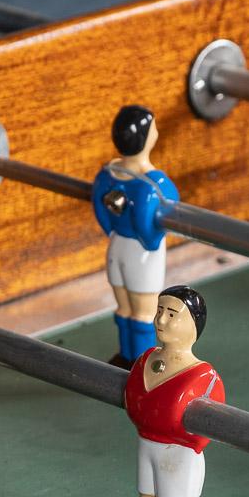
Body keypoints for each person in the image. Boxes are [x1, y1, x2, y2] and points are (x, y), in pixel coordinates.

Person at [123, 285, 224, 497]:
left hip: (179, 456)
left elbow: (211, 426)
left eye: (171, 314)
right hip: (147, 447)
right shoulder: (145, 360)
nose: (160, 320)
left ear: (194, 324)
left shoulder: (204, 377)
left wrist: (180, 437)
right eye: (159, 311)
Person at [92, 104, 179, 367]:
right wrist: (151, 242)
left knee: (124, 307)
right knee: (144, 312)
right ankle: (142, 364)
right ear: (146, 138)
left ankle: (126, 356)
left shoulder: (107, 173)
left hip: (117, 245)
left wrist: (112, 230)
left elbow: (99, 208)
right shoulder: (154, 182)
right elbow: (167, 207)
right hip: (142, 253)